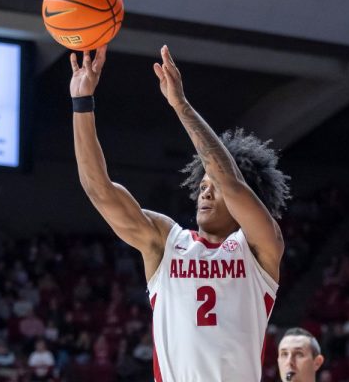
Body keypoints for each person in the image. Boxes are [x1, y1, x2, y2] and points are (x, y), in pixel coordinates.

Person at [69, 44, 290, 381]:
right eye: (202, 187)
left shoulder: (260, 248)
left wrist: (181, 105)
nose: (205, 192)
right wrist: (82, 104)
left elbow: (230, 182)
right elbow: (99, 190)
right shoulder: (167, 241)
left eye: (211, 187)